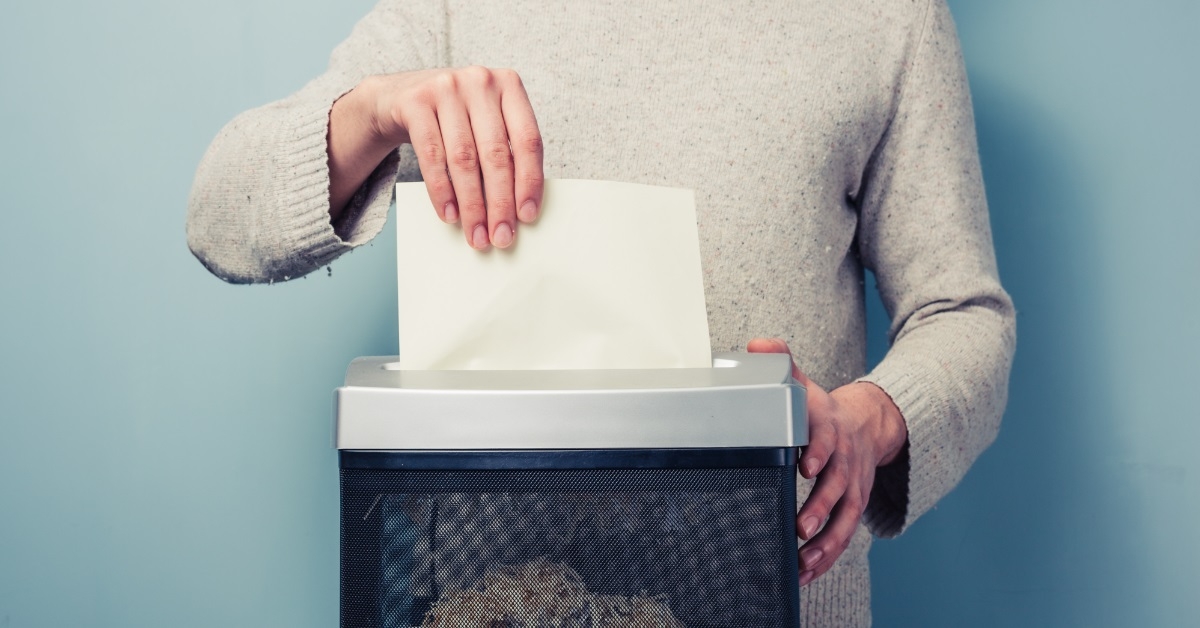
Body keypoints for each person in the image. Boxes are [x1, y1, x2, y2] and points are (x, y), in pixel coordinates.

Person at [186, 0, 1016, 625]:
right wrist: (370, 110)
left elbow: (964, 313)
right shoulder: (449, 11)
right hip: (495, 603)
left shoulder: (887, 18)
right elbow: (220, 220)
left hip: (773, 594)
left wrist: (869, 423)